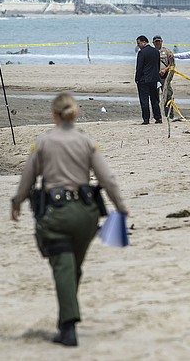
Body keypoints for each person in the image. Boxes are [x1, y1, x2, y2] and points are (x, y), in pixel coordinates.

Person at [10, 93, 128, 347]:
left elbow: (27, 178)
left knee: (64, 267)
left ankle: (68, 326)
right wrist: (120, 208)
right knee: (73, 267)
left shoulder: (43, 143)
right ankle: (67, 319)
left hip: (56, 214)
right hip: (86, 214)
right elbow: (107, 179)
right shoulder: (87, 142)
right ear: (75, 114)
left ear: (54, 115)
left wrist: (16, 203)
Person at [135, 35, 162, 124]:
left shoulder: (142, 52)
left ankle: (146, 119)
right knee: (155, 99)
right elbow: (157, 66)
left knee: (144, 100)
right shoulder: (156, 51)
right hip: (154, 79)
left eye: (138, 43)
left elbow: (139, 67)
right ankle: (158, 117)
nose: (138, 45)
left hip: (144, 79)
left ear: (144, 42)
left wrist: (137, 78)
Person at [152, 35, 175, 119]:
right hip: (154, 77)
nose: (157, 43)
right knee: (154, 96)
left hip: (164, 77)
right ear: (153, 43)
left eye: (159, 41)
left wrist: (165, 70)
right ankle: (157, 116)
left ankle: (169, 114)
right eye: (156, 42)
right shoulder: (151, 51)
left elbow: (172, 65)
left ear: (162, 41)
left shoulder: (167, 52)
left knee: (168, 95)